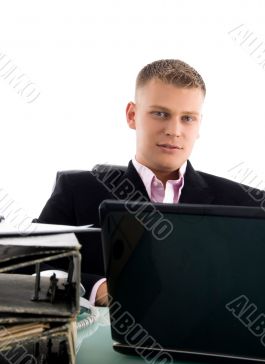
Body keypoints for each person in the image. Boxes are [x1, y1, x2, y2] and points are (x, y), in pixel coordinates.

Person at [37, 59, 263, 306]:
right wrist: (97, 288)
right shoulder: (77, 191)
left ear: (199, 124)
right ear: (132, 115)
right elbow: (25, 266)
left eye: (187, 118)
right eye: (160, 113)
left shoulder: (248, 203)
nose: (174, 130)